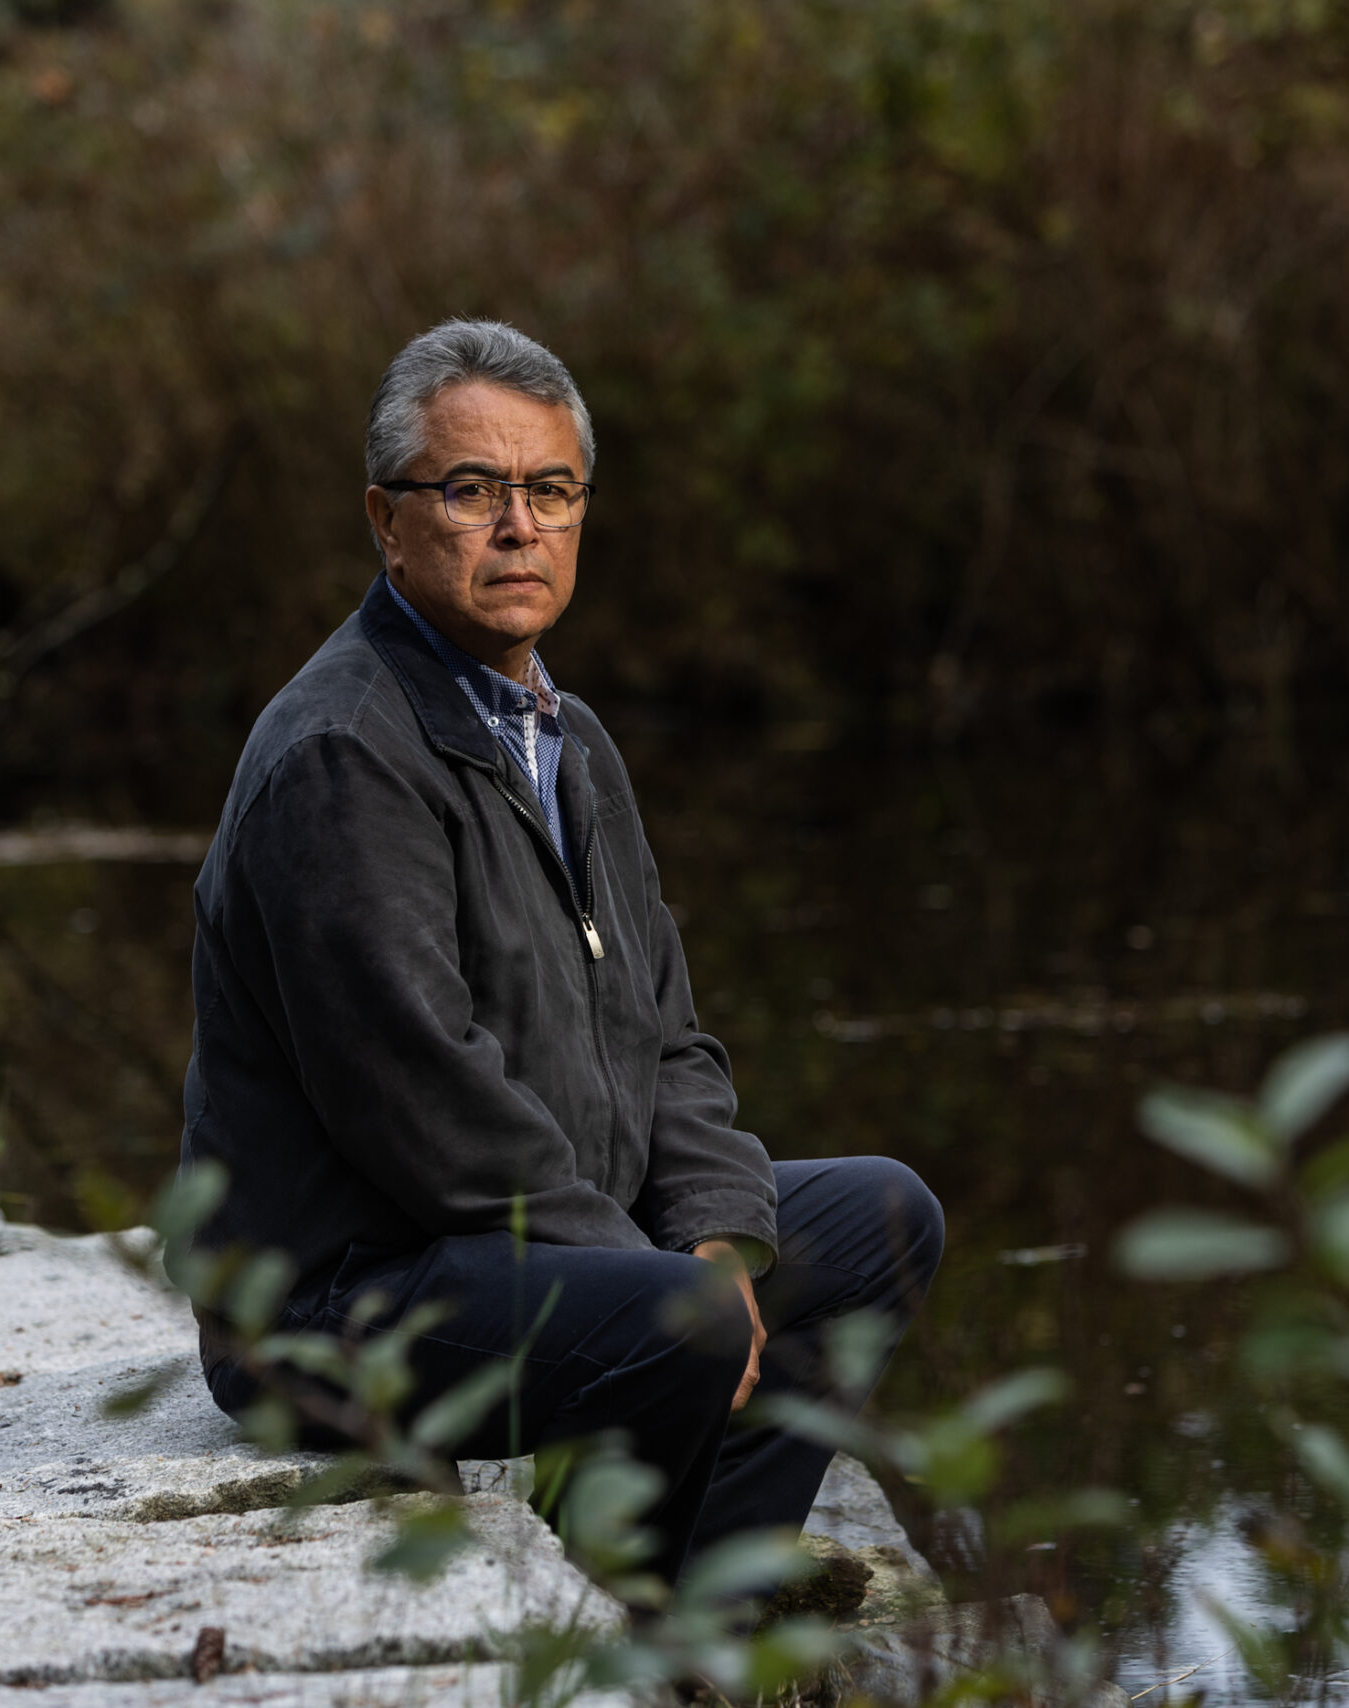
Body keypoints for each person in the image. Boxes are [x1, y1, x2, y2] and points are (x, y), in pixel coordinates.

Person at [180, 319, 943, 1592]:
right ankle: (618, 1606)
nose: (516, 526)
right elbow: (427, 1108)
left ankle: (688, 1587)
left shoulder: (566, 737)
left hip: (532, 1241)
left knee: (880, 1217)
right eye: (471, 490)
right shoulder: (344, 752)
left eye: (549, 491)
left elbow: (672, 1042)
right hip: (339, 1301)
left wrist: (709, 1234)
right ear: (387, 519)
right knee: (683, 1316)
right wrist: (658, 1276)